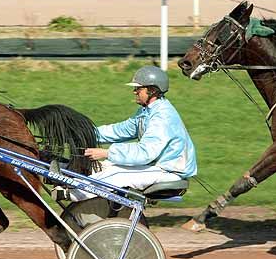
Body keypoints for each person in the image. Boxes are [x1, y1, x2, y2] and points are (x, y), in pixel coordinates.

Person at [59, 65, 197, 202]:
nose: (134, 91)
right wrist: (83, 133)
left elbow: (145, 153)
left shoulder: (162, 117)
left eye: (138, 88)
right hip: (156, 166)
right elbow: (120, 130)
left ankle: (70, 192)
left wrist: (107, 152)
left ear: (152, 91)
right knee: (107, 167)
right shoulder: (147, 111)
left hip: (168, 171)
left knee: (115, 175)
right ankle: (67, 178)